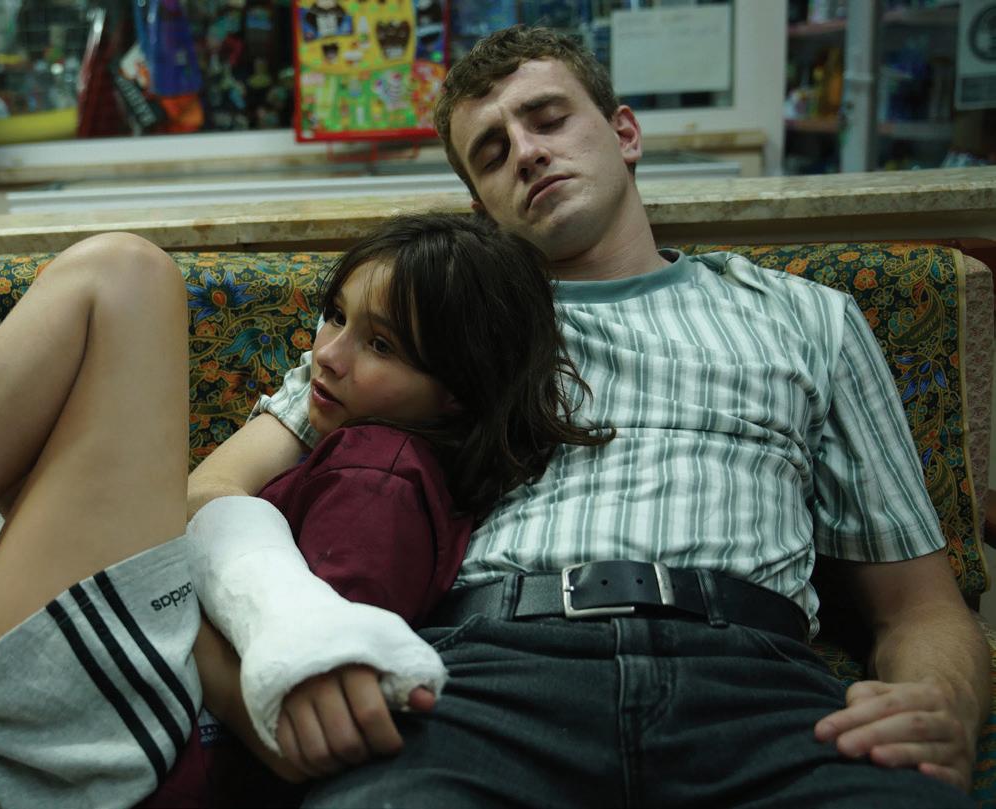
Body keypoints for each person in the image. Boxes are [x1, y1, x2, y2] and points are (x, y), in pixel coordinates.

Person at [183, 25, 990, 807]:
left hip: (754, 685)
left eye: (548, 118)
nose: (527, 152)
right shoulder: (429, 324)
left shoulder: (809, 317)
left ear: (624, 133)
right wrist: (283, 639)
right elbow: (210, 491)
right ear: (480, 207)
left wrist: (939, 704)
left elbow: (920, 606)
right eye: (492, 152)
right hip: (489, 680)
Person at [0, 213, 600, 808]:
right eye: (334, 315)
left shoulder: (383, 477)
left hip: (121, 751)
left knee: (125, 274)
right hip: (101, 700)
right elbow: (192, 510)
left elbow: (280, 696)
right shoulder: (343, 431)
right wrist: (24, 479)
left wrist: (30, 489)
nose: (328, 354)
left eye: (379, 344)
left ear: (456, 392)